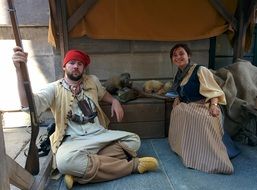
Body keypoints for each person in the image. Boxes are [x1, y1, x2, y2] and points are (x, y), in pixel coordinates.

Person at [12, 47, 158, 189]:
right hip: (73, 140)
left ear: (84, 68)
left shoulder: (92, 81)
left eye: (80, 64)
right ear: (64, 66)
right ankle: (133, 166)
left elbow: (103, 93)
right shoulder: (54, 88)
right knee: (63, 162)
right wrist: (19, 71)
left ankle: (78, 176)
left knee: (134, 141)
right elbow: (28, 105)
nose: (76, 66)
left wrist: (115, 101)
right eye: (72, 63)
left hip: (99, 134)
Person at [168, 43, 239, 174]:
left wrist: (214, 106)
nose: (178, 57)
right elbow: (179, 91)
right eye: (174, 55)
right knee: (178, 112)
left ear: (188, 55)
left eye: (181, 53)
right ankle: (185, 149)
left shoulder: (200, 70)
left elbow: (214, 91)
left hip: (203, 105)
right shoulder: (178, 75)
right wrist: (178, 98)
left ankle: (208, 157)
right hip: (188, 106)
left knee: (202, 119)